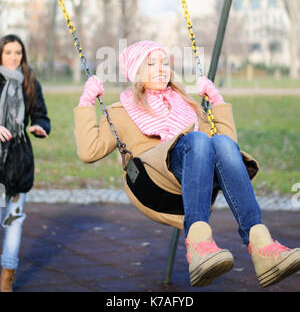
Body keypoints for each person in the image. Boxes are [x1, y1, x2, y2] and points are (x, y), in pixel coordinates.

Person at [74, 40, 300, 288]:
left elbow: (227, 150)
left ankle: (261, 246)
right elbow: (89, 151)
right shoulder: (120, 112)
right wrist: (86, 102)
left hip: (193, 182)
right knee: (197, 140)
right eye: (151, 63)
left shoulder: (187, 106)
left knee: (218, 143)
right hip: (152, 184)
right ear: (135, 72)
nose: (161, 69)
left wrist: (216, 100)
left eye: (164, 63)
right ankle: (199, 243)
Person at [0, 34, 51, 292]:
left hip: (19, 158)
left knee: (14, 219)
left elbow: (42, 116)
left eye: (18, 52)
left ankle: (7, 275)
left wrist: (40, 127)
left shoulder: (30, 81)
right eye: (8, 52)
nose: (13, 57)